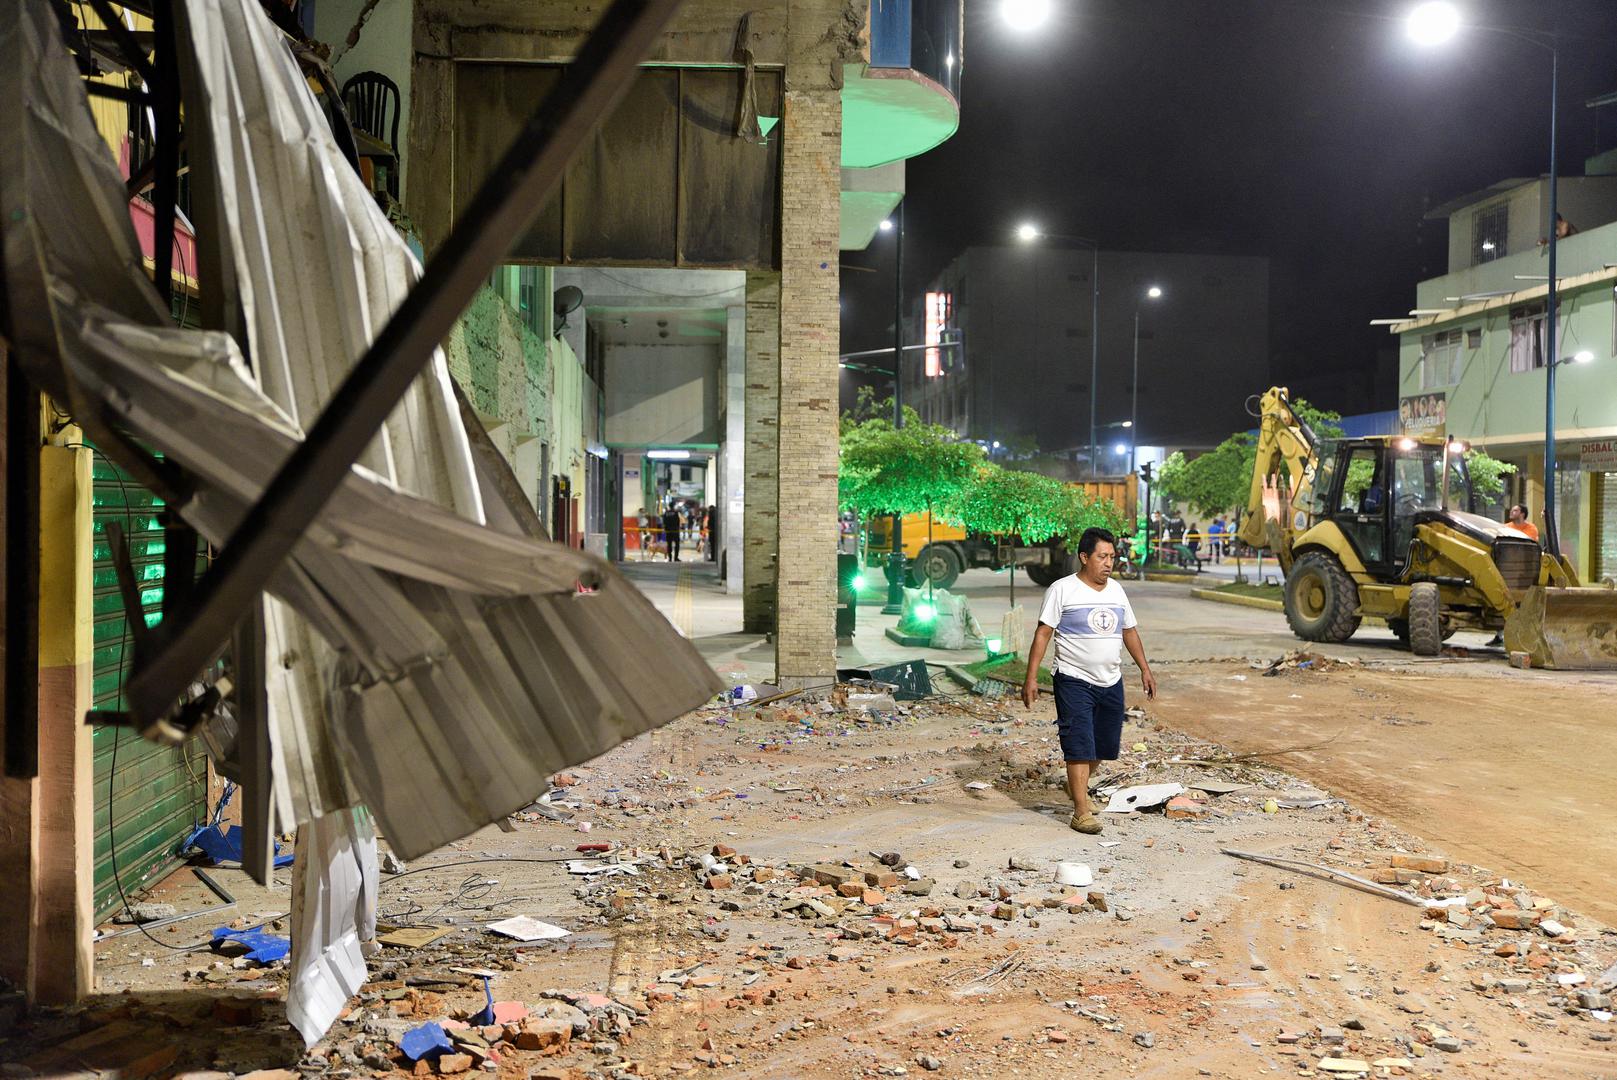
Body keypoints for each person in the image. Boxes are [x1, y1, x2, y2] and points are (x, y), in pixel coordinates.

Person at [1021, 527, 1157, 835]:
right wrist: (1031, 677)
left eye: (1112, 556)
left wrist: (1145, 669)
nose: (1109, 563)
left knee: (1105, 746)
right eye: (1102, 556)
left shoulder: (1117, 591)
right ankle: (1080, 811)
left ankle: (1077, 787)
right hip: (1073, 679)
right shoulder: (1062, 589)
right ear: (1084, 557)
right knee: (1079, 743)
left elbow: (1129, 631)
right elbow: (1043, 633)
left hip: (1111, 679)